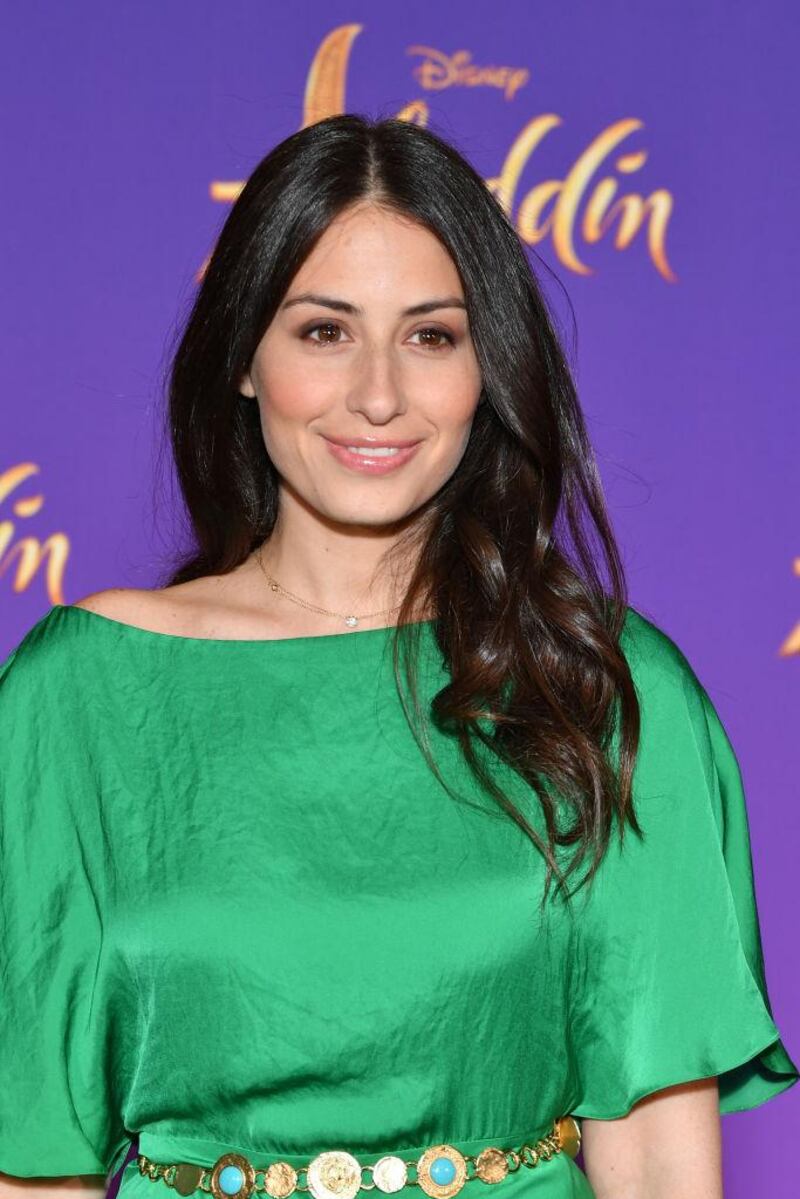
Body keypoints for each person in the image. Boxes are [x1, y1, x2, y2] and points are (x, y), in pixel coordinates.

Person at [0, 114, 796, 1199]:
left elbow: (658, 1161)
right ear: (243, 358)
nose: (378, 395)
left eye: (430, 335)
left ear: (488, 367)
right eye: (322, 331)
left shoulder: (601, 686)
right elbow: (32, 1158)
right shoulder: (79, 693)